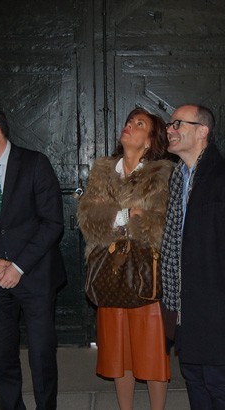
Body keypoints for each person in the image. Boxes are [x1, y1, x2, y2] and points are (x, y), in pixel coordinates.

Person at [0, 104, 66, 410]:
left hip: (35, 276)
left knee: (41, 352)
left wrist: (19, 266)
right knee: (2, 354)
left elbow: (52, 223)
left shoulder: (34, 164)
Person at [77, 107, 173, 410]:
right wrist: (127, 214)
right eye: (129, 121)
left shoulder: (161, 172)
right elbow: (87, 216)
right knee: (119, 351)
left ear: (149, 140)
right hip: (110, 271)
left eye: (139, 124)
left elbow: (160, 224)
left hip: (145, 271)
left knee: (151, 350)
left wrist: (117, 220)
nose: (129, 126)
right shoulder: (103, 170)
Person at [160, 104, 225, 409]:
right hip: (183, 302)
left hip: (216, 305)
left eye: (178, 124)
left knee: (218, 383)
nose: (170, 130)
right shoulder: (177, 178)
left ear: (202, 131)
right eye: (170, 124)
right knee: (194, 379)